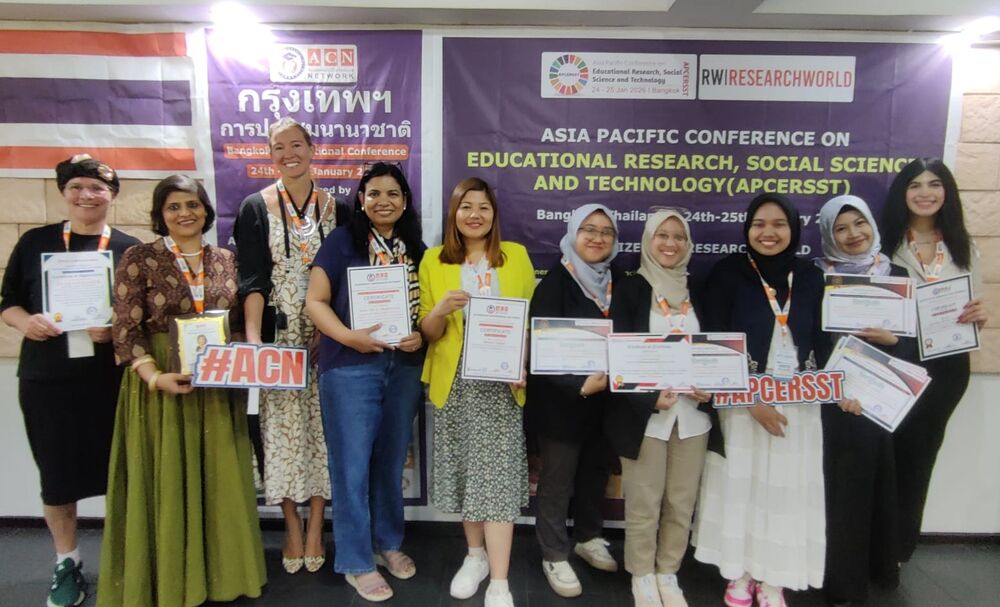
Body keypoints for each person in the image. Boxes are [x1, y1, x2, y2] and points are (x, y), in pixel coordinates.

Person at [96, 175, 266, 606]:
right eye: (174, 206)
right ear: (161, 214)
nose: (185, 213)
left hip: (216, 388)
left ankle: (223, 576)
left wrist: (245, 358)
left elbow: (235, 321)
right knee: (169, 480)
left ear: (206, 210)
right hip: (160, 388)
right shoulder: (139, 257)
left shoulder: (225, 259)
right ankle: (171, 580)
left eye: (192, 204)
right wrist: (154, 376)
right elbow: (125, 328)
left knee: (219, 478)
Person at [0, 154, 139, 607]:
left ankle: (126, 559)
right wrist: (26, 323)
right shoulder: (35, 241)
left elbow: (142, 317)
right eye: (77, 187)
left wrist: (115, 330)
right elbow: (8, 302)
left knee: (122, 472)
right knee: (57, 477)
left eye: (97, 188)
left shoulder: (129, 248)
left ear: (112, 195)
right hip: (49, 380)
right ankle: (67, 561)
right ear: (64, 192)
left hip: (111, 381)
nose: (86, 195)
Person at [691, 193, 829, 607]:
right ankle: (740, 572)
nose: (768, 233)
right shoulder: (728, 273)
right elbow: (713, 341)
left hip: (798, 404)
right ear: (747, 228)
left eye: (779, 224)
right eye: (759, 224)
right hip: (741, 402)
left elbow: (825, 341)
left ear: (794, 230)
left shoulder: (811, 277)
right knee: (744, 486)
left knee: (785, 490)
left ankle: (774, 579)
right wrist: (750, 397)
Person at [304, 161, 425, 601]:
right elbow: (315, 302)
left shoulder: (417, 248)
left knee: (390, 463)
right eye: (374, 193)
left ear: (405, 201)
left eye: (393, 194)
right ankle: (356, 561)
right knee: (352, 467)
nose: (383, 201)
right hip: (350, 367)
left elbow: (425, 310)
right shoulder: (342, 241)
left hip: (403, 368)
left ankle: (387, 543)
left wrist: (420, 334)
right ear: (361, 199)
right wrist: (347, 337)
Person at [418, 177, 535, 607]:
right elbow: (428, 332)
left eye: (484, 207)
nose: (475, 215)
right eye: (466, 206)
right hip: (455, 385)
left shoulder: (516, 257)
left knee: (497, 481)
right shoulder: (433, 261)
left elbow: (528, 322)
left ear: (494, 215)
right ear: (454, 213)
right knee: (468, 474)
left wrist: (522, 365)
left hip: (501, 386)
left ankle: (500, 581)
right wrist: (440, 310)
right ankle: (475, 557)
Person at [234, 116, 333, 574]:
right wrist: (256, 342)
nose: (288, 154)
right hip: (279, 340)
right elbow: (252, 279)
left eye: (296, 145)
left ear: (312, 149)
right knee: (280, 436)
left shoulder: (337, 207)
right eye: (278, 147)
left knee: (324, 433)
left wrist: (331, 331)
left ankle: (317, 525)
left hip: (326, 334)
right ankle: (292, 525)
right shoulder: (255, 206)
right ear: (270, 155)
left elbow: (345, 277)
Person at [879, 158, 988, 564]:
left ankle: (898, 550)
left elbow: (972, 304)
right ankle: (874, 546)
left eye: (934, 184)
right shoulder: (885, 246)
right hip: (895, 361)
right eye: (915, 185)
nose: (925, 193)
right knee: (887, 454)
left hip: (946, 367)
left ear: (947, 192)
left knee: (921, 456)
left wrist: (980, 315)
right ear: (902, 193)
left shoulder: (963, 247)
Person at [606, 209, 713, 607]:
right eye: (662, 235)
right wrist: (649, 398)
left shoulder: (698, 289)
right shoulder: (631, 288)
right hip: (645, 418)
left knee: (681, 502)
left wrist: (712, 388)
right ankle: (642, 575)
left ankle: (668, 572)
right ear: (648, 241)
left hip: (693, 418)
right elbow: (618, 356)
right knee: (644, 502)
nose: (671, 243)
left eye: (679, 236)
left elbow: (716, 351)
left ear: (688, 244)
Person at [814, 194, 916, 606]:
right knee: (835, 495)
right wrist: (833, 389)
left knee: (868, 492)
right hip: (832, 402)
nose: (852, 234)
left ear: (872, 225)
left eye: (859, 224)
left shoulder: (897, 275)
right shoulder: (817, 279)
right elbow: (811, 340)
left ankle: (868, 574)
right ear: (828, 235)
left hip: (879, 401)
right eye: (840, 228)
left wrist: (893, 341)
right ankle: (837, 582)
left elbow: (916, 349)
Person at [526, 203, 621, 598]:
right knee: (557, 480)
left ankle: (588, 537)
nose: (597, 238)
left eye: (606, 232)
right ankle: (553, 552)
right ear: (572, 234)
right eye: (588, 230)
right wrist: (580, 386)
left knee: (594, 474)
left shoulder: (619, 282)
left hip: (606, 402)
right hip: (562, 404)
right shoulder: (554, 284)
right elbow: (542, 355)